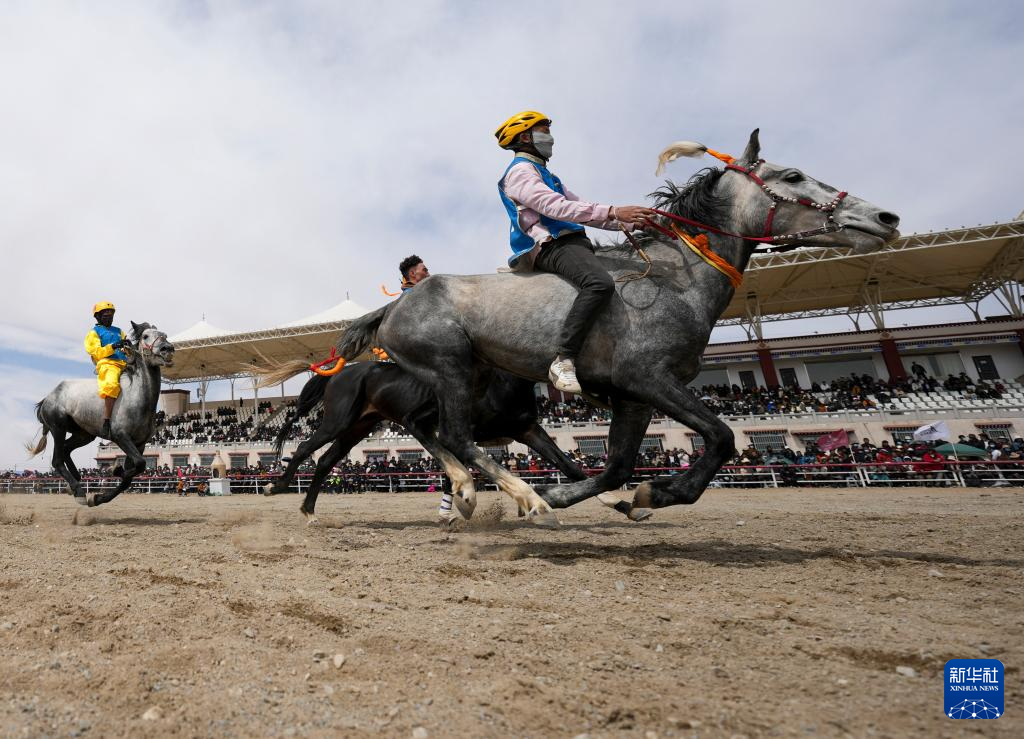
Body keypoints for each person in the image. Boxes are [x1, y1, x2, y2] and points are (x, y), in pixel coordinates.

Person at [494, 110, 654, 393]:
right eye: (544, 131)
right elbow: (555, 207)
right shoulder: (520, 172)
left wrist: (633, 222)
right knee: (599, 283)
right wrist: (614, 211)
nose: (551, 138)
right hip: (550, 244)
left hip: (572, 242)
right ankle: (563, 359)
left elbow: (584, 210)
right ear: (525, 137)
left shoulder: (547, 174)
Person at [84, 301, 129, 440]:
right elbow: (96, 352)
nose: (109, 317)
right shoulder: (93, 333)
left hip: (126, 363)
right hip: (108, 364)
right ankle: (107, 421)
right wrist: (113, 346)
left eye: (111, 314)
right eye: (105, 315)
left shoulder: (119, 331)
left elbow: (126, 346)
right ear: (98, 316)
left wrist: (128, 347)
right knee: (111, 385)